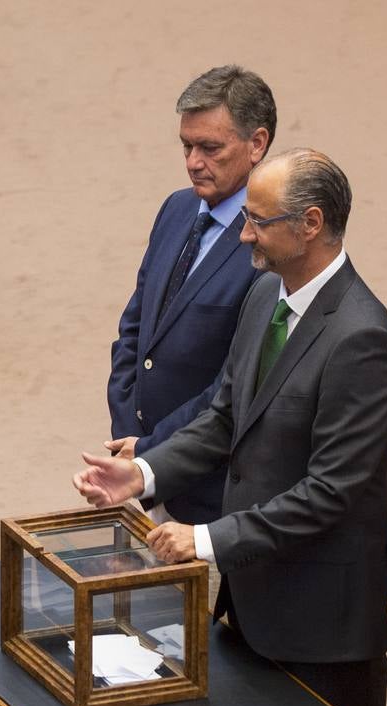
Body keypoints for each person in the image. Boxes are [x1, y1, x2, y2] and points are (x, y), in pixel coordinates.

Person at [76, 149, 387, 706]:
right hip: (262, 600)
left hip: (328, 613)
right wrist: (147, 471)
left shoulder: (361, 338)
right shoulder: (267, 298)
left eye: (258, 222)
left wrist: (207, 539)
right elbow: (226, 416)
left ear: (311, 225)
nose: (244, 237)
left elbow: (332, 491)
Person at [107, 64, 274, 526]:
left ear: (256, 144)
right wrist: (129, 433)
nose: (193, 162)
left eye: (210, 148)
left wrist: (152, 449)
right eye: (187, 145)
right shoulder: (177, 208)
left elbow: (233, 382)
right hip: (141, 473)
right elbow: (134, 331)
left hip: (210, 495)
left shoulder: (270, 245)